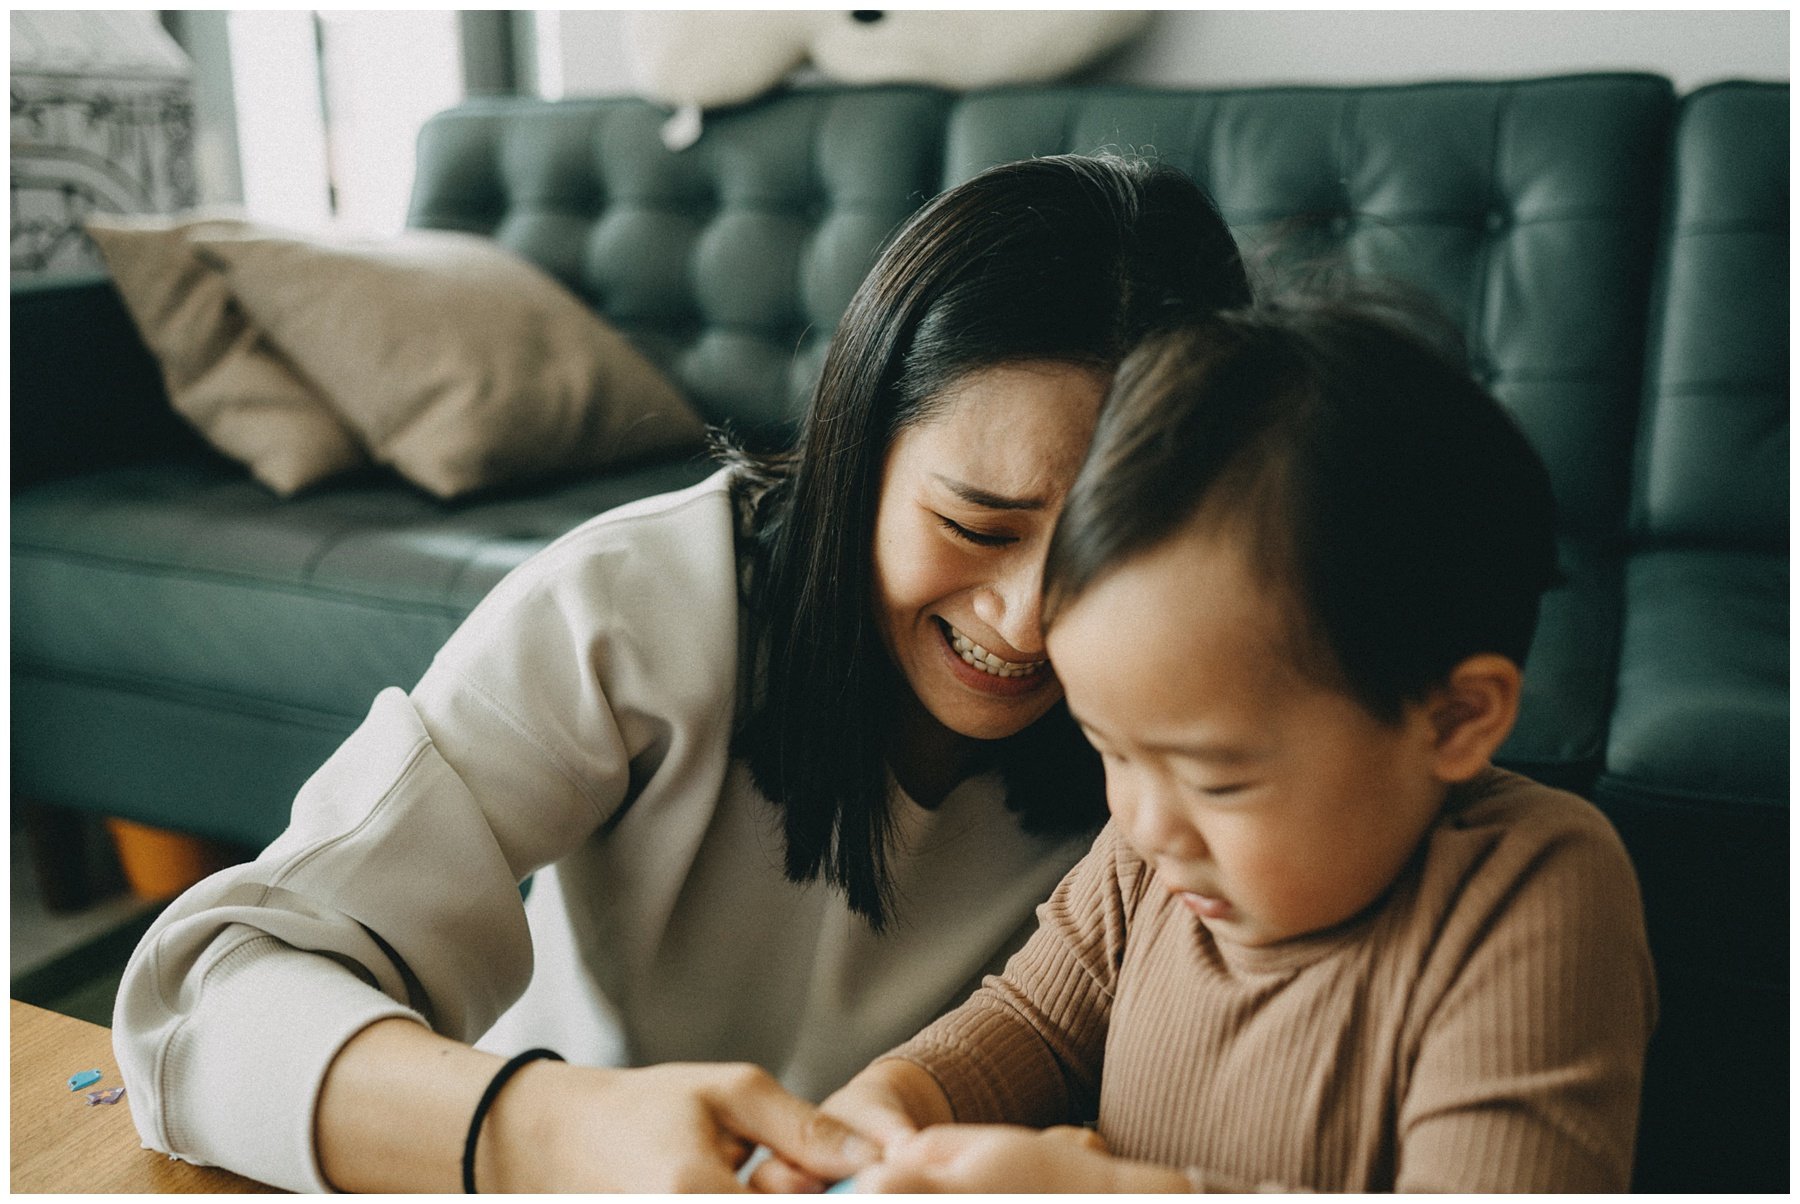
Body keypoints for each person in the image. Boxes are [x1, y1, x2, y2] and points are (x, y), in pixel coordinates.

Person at [111, 154, 1252, 1192]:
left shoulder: (1232, 716)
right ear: (860, 452)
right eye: (976, 523)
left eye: (1115, 546)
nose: (1030, 620)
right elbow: (198, 1001)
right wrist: (538, 1131)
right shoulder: (635, 606)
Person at [785, 297, 1657, 1192]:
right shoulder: (1147, 863)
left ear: (1453, 720)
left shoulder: (1531, 892)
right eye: (1111, 752)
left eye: (1218, 781)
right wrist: (895, 1102)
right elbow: (1033, 1022)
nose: (1145, 821)